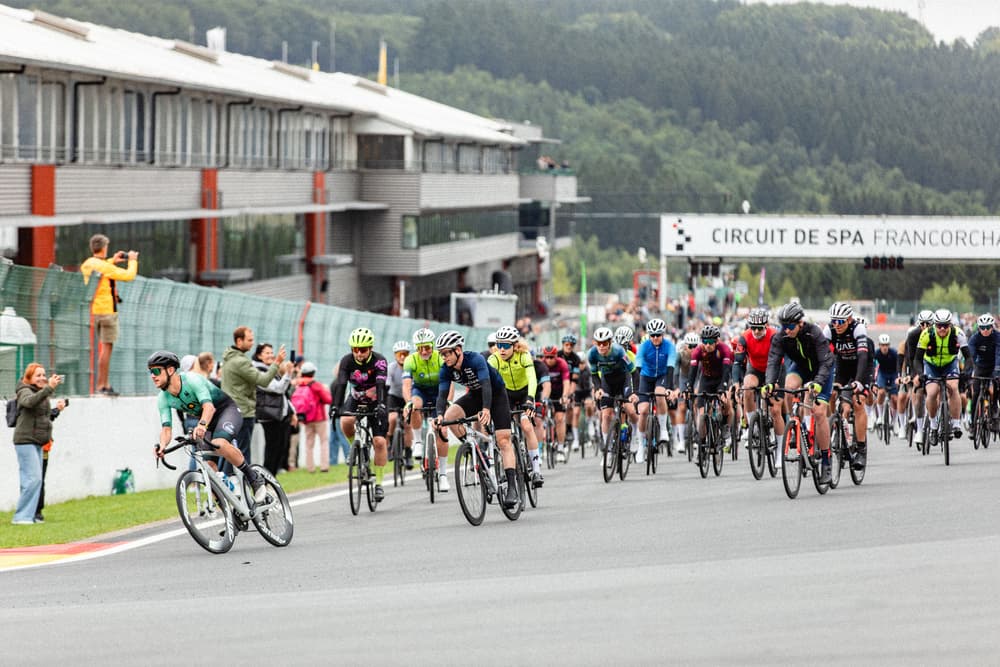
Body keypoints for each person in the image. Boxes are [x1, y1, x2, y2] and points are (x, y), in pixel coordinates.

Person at [149, 351, 268, 503]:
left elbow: (209, 407)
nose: (153, 375)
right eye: (151, 372)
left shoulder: (192, 380)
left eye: (156, 371)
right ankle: (229, 509)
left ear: (170, 370)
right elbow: (166, 429)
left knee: (219, 444)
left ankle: (254, 478)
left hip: (225, 411)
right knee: (209, 467)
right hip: (207, 422)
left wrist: (202, 425)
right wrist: (162, 445)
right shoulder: (163, 398)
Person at [432, 330, 519, 509]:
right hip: (475, 395)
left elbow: (486, 385)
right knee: (450, 417)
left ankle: (512, 488)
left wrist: (486, 409)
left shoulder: (476, 359)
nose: (444, 357)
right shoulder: (446, 369)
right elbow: (441, 395)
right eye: (442, 354)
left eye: (447, 353)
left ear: (458, 350)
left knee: (503, 440)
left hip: (496, 394)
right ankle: (476, 452)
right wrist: (439, 415)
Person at [762, 302, 835, 484]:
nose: (786, 330)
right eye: (783, 326)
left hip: (821, 370)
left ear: (800, 323)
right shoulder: (780, 337)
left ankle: (826, 461)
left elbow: (826, 362)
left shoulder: (814, 332)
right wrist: (769, 384)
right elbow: (773, 361)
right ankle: (794, 425)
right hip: (801, 368)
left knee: (818, 413)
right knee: (788, 386)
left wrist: (818, 383)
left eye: (790, 326)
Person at [330, 328, 390, 501]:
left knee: (379, 442)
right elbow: (341, 384)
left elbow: (380, 383)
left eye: (362, 349)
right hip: (356, 398)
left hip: (376, 399)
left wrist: (380, 405)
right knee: (346, 420)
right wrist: (335, 406)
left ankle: (378, 483)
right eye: (355, 349)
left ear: (370, 348)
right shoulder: (347, 361)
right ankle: (354, 448)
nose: (359, 353)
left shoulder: (379, 361)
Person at [220, 326, 286, 473]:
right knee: (241, 455)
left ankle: (224, 487)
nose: (252, 343)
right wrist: (277, 363)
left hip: (230, 411)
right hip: (243, 412)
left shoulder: (230, 358)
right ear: (239, 340)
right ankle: (244, 486)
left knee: (229, 453)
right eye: (249, 340)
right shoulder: (241, 362)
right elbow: (263, 381)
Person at [80, 234, 138, 395]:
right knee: (106, 348)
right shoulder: (105, 267)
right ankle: (102, 385)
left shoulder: (88, 264)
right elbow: (129, 275)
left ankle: (100, 384)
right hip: (107, 311)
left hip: (93, 310)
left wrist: (112, 260)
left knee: (96, 349)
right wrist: (132, 260)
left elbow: (101, 269)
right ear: (104, 247)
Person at [488, 325, 544, 487]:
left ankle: (536, 470)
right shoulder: (494, 359)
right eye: (499, 345)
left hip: (525, 392)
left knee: (527, 426)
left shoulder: (524, 355)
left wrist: (530, 399)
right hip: (507, 394)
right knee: (503, 433)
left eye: (506, 345)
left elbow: (532, 379)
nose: (502, 349)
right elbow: (489, 384)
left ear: (515, 345)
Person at [11, 363, 64, 524]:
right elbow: (29, 402)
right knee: (33, 478)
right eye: (38, 375)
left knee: (35, 479)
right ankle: (21, 517)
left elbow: (43, 416)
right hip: (25, 440)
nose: (42, 378)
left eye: (43, 375)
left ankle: (32, 514)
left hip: (38, 441)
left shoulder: (41, 392)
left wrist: (57, 409)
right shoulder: (24, 390)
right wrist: (49, 388)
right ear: (29, 378)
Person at [823, 302, 871, 470]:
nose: (837, 325)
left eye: (841, 321)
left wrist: (858, 381)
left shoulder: (858, 329)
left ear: (849, 320)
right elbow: (824, 357)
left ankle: (861, 449)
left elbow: (863, 357)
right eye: (834, 321)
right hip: (842, 366)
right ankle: (833, 425)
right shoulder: (829, 330)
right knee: (830, 394)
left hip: (861, 366)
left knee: (858, 403)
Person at [914, 309, 972, 443]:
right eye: (939, 325)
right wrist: (920, 374)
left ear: (950, 325)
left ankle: (956, 423)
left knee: (953, 387)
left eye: (945, 325)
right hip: (931, 365)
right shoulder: (926, 334)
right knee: (932, 393)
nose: (942, 329)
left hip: (950, 364)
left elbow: (968, 357)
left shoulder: (958, 333)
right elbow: (917, 359)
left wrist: (965, 373)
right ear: (934, 325)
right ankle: (934, 427)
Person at [636, 318, 677, 456]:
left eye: (657, 335)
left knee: (659, 393)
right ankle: (641, 446)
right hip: (646, 377)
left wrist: (670, 388)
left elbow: (671, 367)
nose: (655, 338)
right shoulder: (644, 346)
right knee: (643, 411)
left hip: (662, 376)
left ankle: (664, 429)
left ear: (662, 334)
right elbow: (637, 368)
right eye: (652, 335)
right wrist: (635, 390)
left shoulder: (670, 346)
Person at [402, 328, 442, 469]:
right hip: (421, 390)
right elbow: (407, 386)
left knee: (442, 428)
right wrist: (408, 403)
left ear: (433, 346)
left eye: (427, 347)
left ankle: (442, 471)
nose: (424, 351)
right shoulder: (410, 360)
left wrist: (448, 401)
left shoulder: (440, 357)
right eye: (420, 348)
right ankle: (418, 441)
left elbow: (449, 384)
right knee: (415, 405)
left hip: (438, 390)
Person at [253, 343, 295, 476]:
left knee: (278, 449)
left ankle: (272, 479)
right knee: (272, 449)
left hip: (278, 414)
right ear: (259, 355)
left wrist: (291, 411)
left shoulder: (269, 369)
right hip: (269, 415)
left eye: (272, 352)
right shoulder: (258, 370)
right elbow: (278, 388)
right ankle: (267, 478)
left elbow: (283, 394)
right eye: (267, 353)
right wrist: (288, 374)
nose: (271, 355)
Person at [292, 361, 333, 473]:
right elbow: (328, 400)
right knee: (323, 441)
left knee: (309, 443)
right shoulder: (316, 385)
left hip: (306, 418)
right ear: (313, 373)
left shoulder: (298, 384)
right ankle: (324, 467)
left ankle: (310, 468)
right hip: (319, 418)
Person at [387, 341, 413, 469]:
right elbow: (386, 384)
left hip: (407, 397)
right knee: (392, 419)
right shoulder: (391, 368)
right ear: (395, 355)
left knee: (408, 424)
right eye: (399, 354)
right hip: (394, 396)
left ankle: (408, 454)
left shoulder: (412, 366)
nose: (402, 357)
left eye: (405, 354)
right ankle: (390, 445)